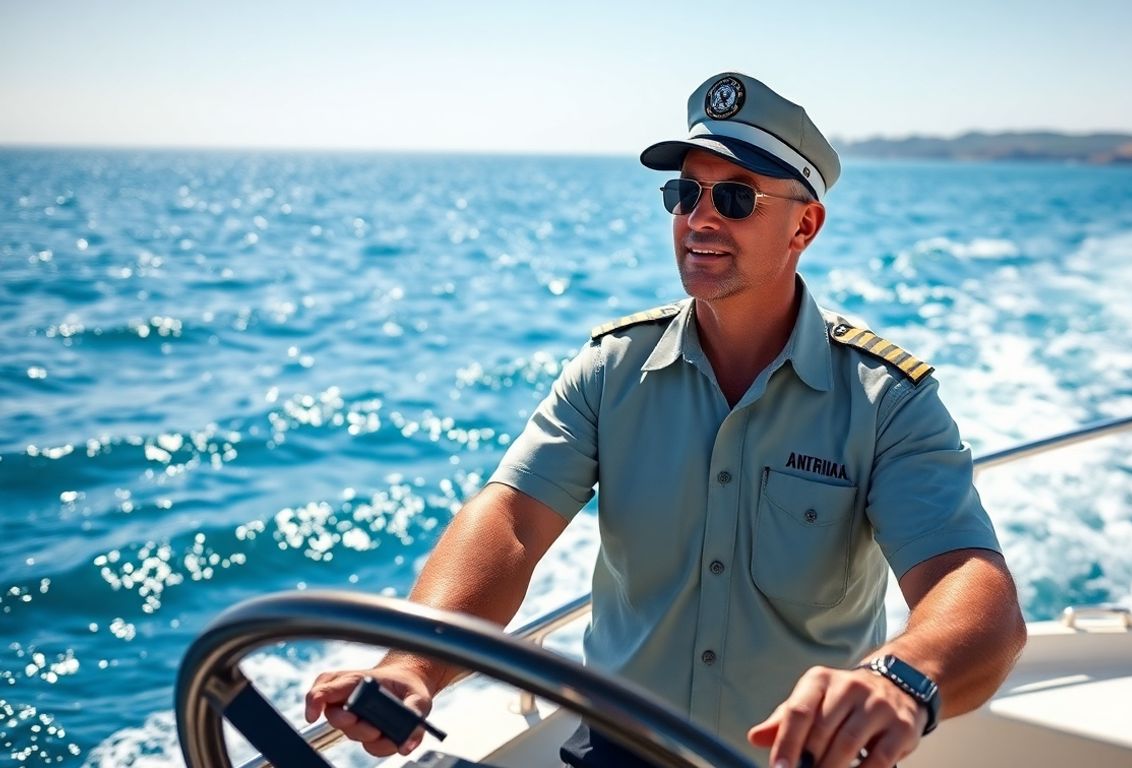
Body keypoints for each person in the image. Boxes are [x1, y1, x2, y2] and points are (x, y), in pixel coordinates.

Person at [305, 72, 1026, 768]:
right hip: (621, 751)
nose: (700, 218)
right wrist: (414, 665)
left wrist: (895, 681)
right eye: (685, 194)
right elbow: (512, 525)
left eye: (736, 198)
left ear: (804, 224)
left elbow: (968, 580)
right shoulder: (612, 368)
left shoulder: (884, 399)